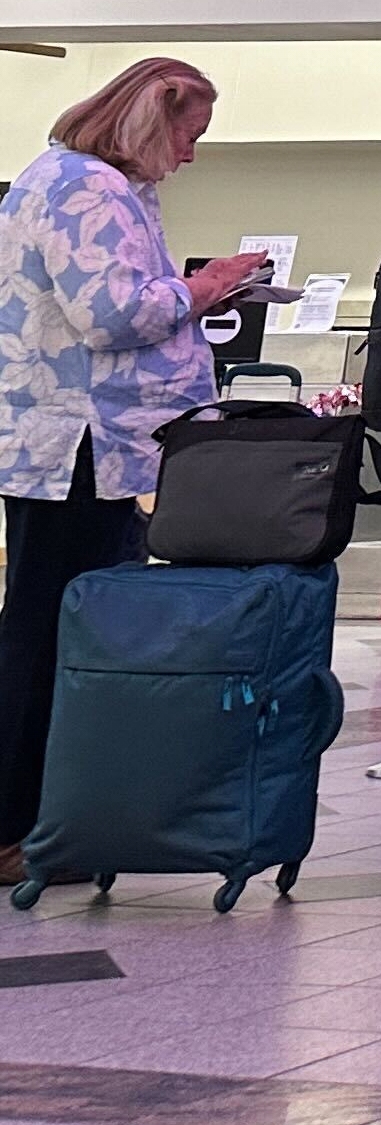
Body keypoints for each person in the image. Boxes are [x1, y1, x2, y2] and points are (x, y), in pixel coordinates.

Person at [0, 61, 274, 890]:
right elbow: (114, 314)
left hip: (80, 439)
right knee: (51, 630)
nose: (190, 156)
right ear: (153, 116)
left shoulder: (82, 182)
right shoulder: (86, 189)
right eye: (189, 136)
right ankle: (16, 824)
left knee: (62, 629)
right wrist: (208, 285)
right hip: (75, 442)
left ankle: (55, 814)